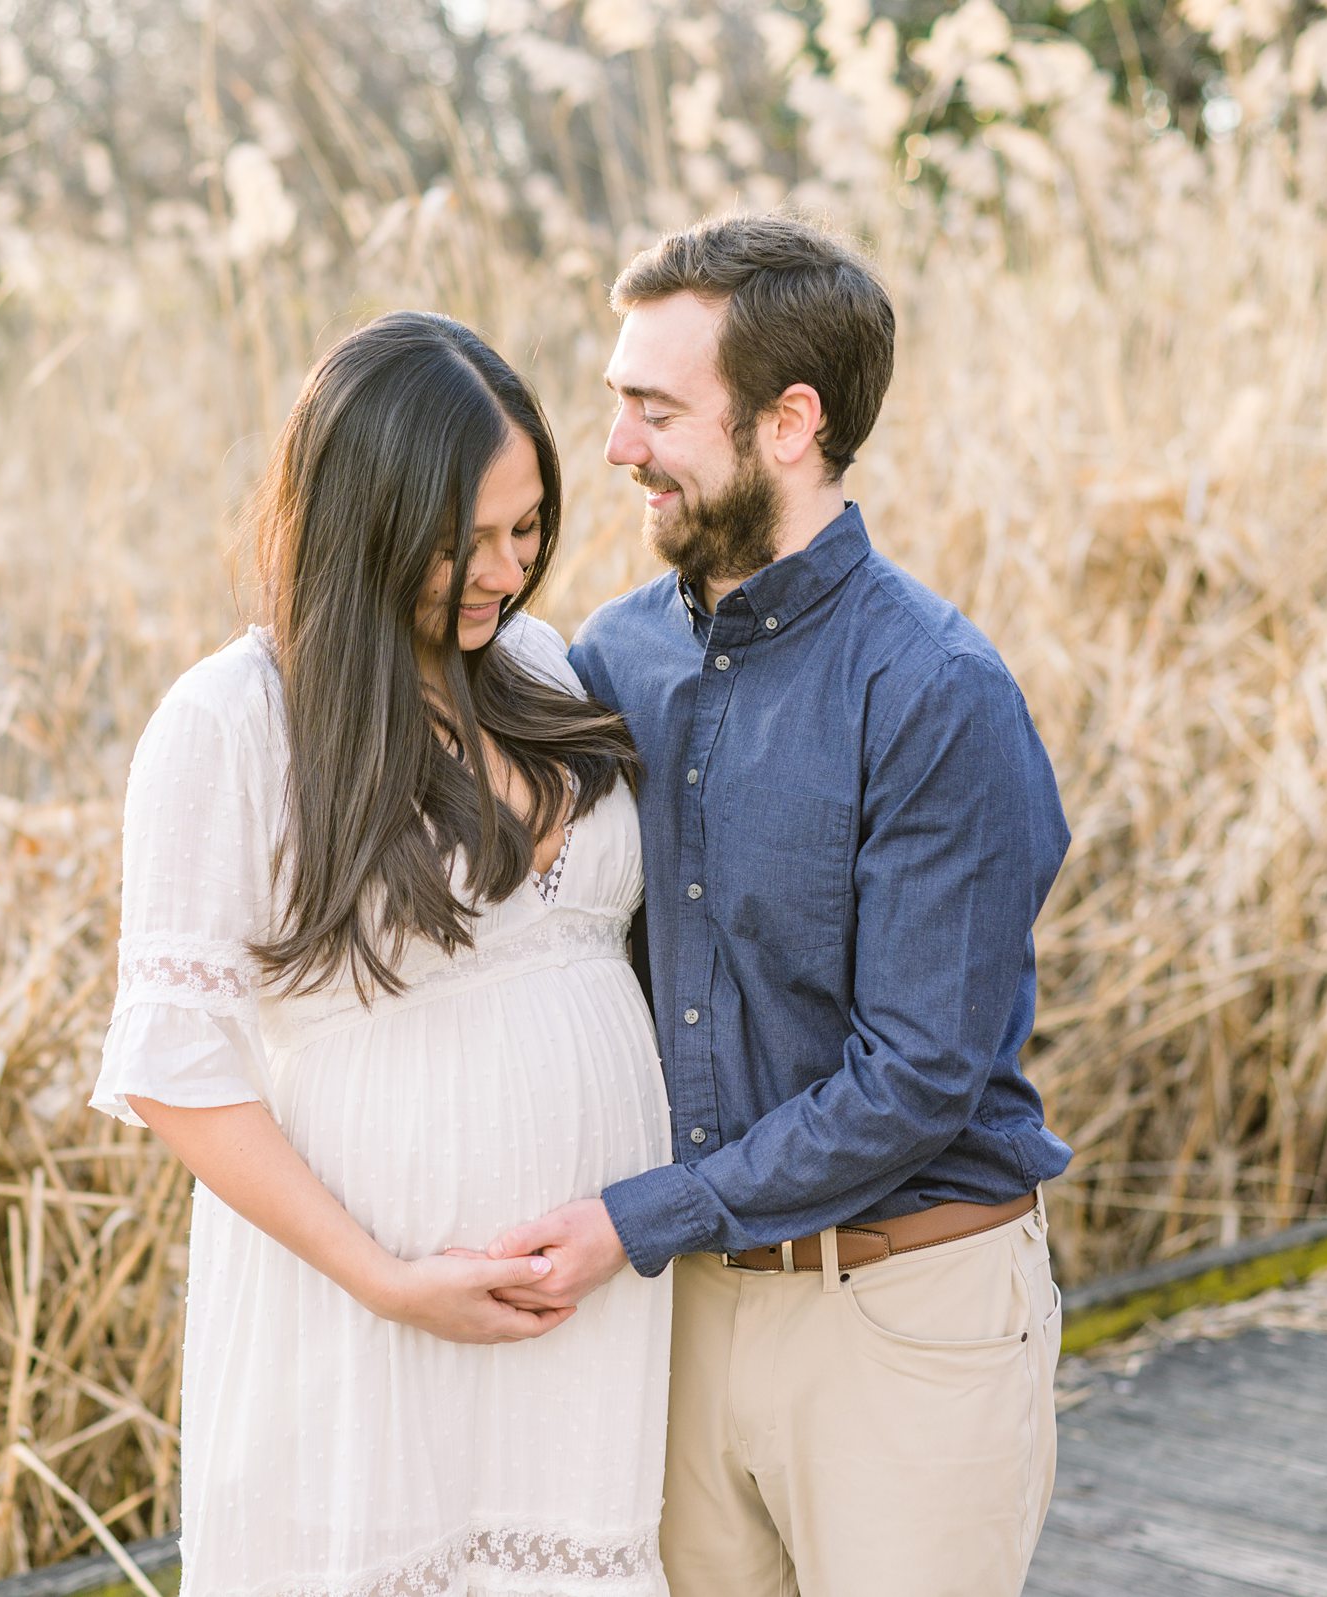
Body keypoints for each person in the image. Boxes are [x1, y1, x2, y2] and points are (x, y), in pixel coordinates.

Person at [483, 214, 1076, 1597]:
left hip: (902, 1315)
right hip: (678, 1315)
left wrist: (640, 1217)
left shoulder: (937, 689)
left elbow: (920, 1075)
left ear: (788, 422)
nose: (617, 446)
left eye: (655, 408)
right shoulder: (608, 656)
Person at [87, 311, 673, 1597]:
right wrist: (393, 1282)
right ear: (363, 515)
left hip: (584, 1310)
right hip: (366, 1312)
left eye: (528, 530)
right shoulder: (231, 724)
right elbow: (178, 1070)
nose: (507, 571)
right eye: (465, 542)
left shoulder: (529, 661)